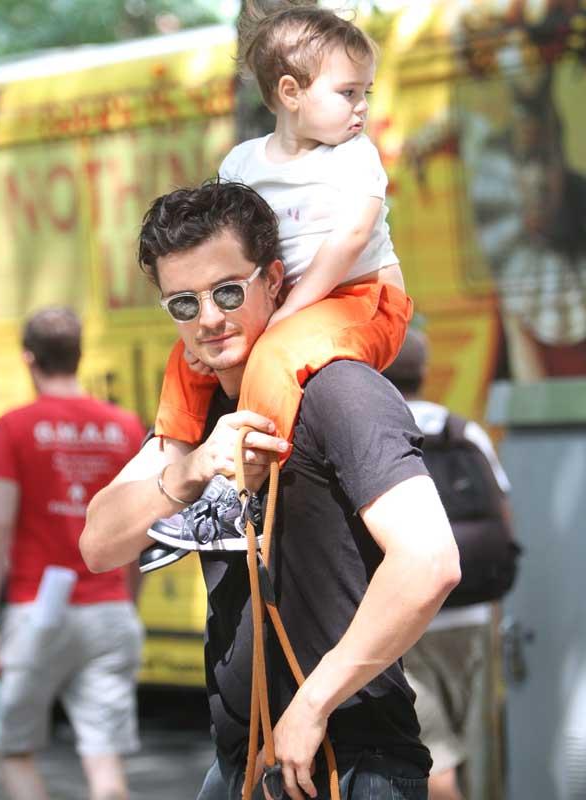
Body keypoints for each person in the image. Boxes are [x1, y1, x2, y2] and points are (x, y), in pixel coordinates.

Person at [79, 181, 461, 800]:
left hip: (348, 761)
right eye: (183, 303)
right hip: (241, 762)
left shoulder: (339, 392)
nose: (208, 319)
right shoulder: (196, 416)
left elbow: (430, 562)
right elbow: (98, 543)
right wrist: (191, 469)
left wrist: (312, 705)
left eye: (227, 291)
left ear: (275, 280)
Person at [146, 4, 412, 568]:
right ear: (290, 93)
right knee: (188, 354)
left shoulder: (354, 155)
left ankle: (240, 491)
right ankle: (169, 479)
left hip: (360, 300)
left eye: (366, 91)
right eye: (348, 93)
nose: (362, 106)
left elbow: (351, 238)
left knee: (275, 354)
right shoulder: (243, 161)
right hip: (297, 303)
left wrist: (288, 310)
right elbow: (224, 235)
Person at [0, 307, 146, 800]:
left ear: (28, 358)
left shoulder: (13, 428)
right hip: (109, 607)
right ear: (79, 357)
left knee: (14, 752)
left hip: (37, 611)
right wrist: (128, 603)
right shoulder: (124, 427)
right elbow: (138, 529)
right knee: (105, 764)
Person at [383, 328, 514, 800]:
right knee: (479, 754)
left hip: (408, 622)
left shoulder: (377, 432)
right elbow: (502, 515)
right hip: (475, 614)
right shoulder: (463, 430)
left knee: (433, 761)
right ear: (424, 372)